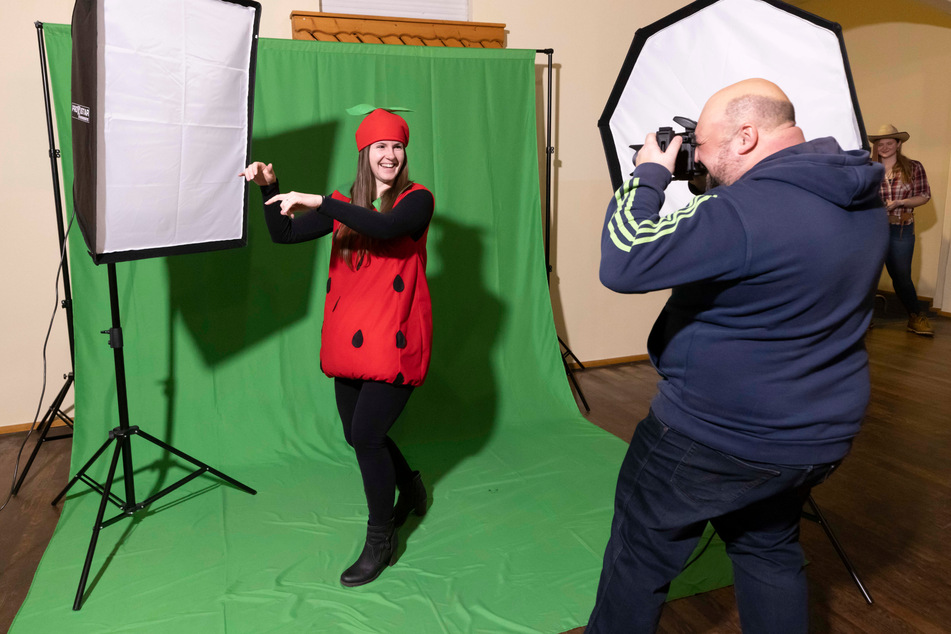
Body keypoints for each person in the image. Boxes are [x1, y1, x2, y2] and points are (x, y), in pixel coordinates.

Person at [587, 79, 888, 633]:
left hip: (712, 437)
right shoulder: (862, 196)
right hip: (813, 435)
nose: (695, 155)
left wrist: (649, 173)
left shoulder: (743, 212)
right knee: (767, 551)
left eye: (700, 142)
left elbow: (623, 262)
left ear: (746, 135)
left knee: (639, 557)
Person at [241, 108, 433, 587]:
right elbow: (284, 234)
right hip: (350, 341)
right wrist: (269, 187)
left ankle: (380, 536)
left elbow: (385, 229)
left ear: (403, 154)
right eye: (379, 147)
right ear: (364, 154)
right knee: (357, 434)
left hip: (395, 338)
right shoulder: (345, 204)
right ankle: (410, 487)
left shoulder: (417, 200)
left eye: (396, 147)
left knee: (367, 436)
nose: (389, 155)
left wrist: (319, 199)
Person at [868, 124, 933, 336]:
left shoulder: (913, 167)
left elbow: (923, 196)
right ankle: (864, 321)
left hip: (901, 229)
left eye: (889, 143)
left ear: (898, 144)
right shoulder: (867, 168)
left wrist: (900, 202)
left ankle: (915, 317)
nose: (884, 147)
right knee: (867, 276)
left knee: (902, 277)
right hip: (871, 229)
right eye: (880, 143)